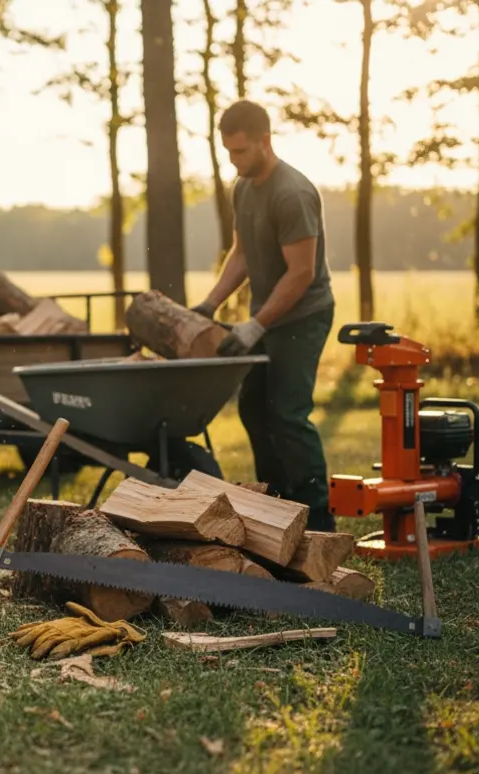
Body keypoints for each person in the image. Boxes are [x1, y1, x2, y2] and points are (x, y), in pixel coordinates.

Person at [191, 99, 336, 532]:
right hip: (267, 319)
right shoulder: (243, 187)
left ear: (265, 141)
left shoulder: (292, 193)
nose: (233, 160)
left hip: (303, 316)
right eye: (228, 151)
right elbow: (241, 253)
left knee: (287, 414)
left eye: (240, 151)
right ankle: (276, 507)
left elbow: (301, 272)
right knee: (254, 408)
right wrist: (210, 304)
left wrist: (257, 324)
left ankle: (318, 518)